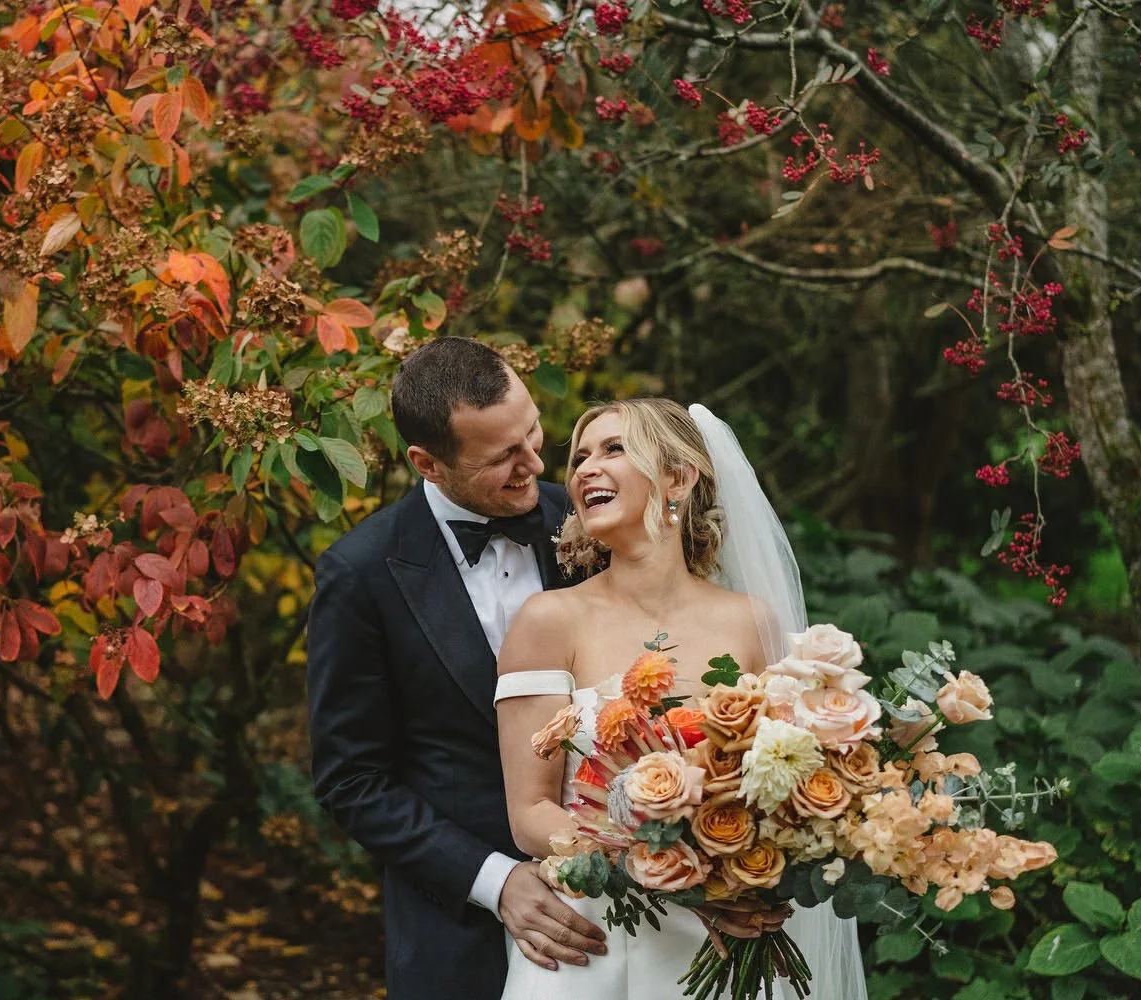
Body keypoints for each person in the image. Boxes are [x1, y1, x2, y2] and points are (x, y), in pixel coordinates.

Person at [493, 398, 868, 1000]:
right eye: (580, 456)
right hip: (595, 939)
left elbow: (788, 781)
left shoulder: (751, 622)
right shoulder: (548, 620)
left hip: (728, 935)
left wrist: (753, 873)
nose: (586, 468)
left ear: (679, 476)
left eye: (614, 449)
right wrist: (675, 881)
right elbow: (531, 813)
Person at [306, 337, 607, 1000]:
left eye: (533, 434)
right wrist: (496, 882)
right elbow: (351, 780)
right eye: (504, 457)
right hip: (456, 937)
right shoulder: (359, 575)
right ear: (428, 464)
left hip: (623, 915)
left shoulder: (590, 522)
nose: (535, 464)